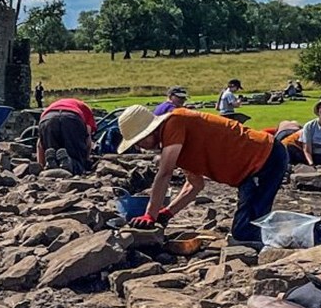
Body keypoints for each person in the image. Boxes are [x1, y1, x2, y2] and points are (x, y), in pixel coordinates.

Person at [116, 104, 288, 247]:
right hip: (252, 169)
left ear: (150, 131)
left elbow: (165, 173)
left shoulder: (175, 122)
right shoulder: (177, 143)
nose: (141, 147)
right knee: (246, 226)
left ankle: (283, 247)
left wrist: (150, 215)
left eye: (140, 141)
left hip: (265, 157)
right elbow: (195, 185)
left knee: (245, 232)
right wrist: (168, 213)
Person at [37, 98, 96, 175]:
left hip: (48, 118)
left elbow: (40, 143)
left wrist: (40, 165)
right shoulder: (85, 108)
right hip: (72, 118)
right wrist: (85, 160)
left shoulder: (53, 105)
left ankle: (50, 164)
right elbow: (87, 137)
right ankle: (71, 163)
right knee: (75, 155)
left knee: (51, 150)